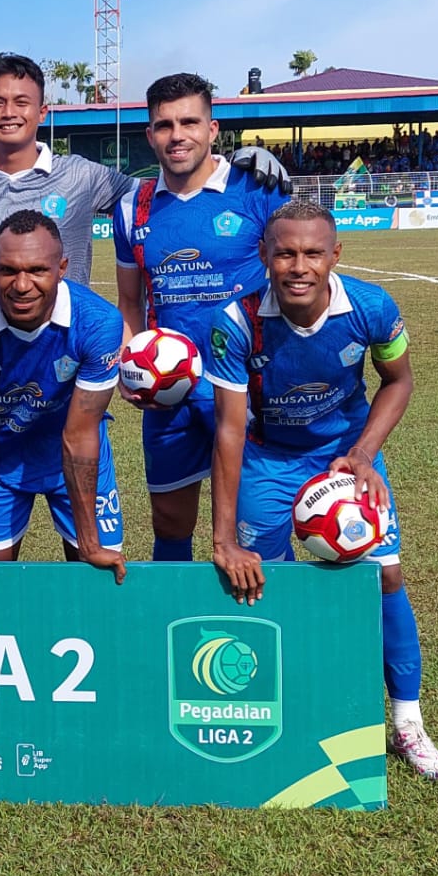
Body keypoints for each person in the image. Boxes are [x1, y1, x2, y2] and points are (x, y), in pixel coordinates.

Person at [205, 199, 438, 781]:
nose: (299, 267)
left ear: (335, 255)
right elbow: (229, 429)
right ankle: (286, 710)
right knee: (259, 582)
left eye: (313, 253)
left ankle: (408, 724)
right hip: (268, 459)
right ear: (264, 255)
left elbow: (399, 380)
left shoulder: (372, 307)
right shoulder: (235, 321)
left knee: (386, 575)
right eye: (285, 253)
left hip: (346, 456)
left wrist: (363, 453)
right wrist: (223, 538)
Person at [0, 53, 291, 304]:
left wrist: (235, 164)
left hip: (66, 363)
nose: (9, 113)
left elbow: (175, 189)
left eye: (22, 102)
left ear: (42, 113)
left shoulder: (81, 175)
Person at [111, 73, 291, 562]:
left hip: (245, 384)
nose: (177, 135)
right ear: (150, 135)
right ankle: (174, 610)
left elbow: (297, 275)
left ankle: (271, 608)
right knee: (170, 521)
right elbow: (130, 302)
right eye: (164, 125)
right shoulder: (131, 207)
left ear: (212, 129)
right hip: (169, 387)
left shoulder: (257, 188)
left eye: (189, 122)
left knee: (254, 522)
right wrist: (129, 364)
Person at [0, 210, 127, 588]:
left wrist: (90, 543)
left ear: (62, 268)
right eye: (8, 271)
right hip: (1, 462)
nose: (22, 285)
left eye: (37, 270)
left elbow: (80, 434)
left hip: (73, 454)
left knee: (97, 581)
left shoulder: (99, 322)